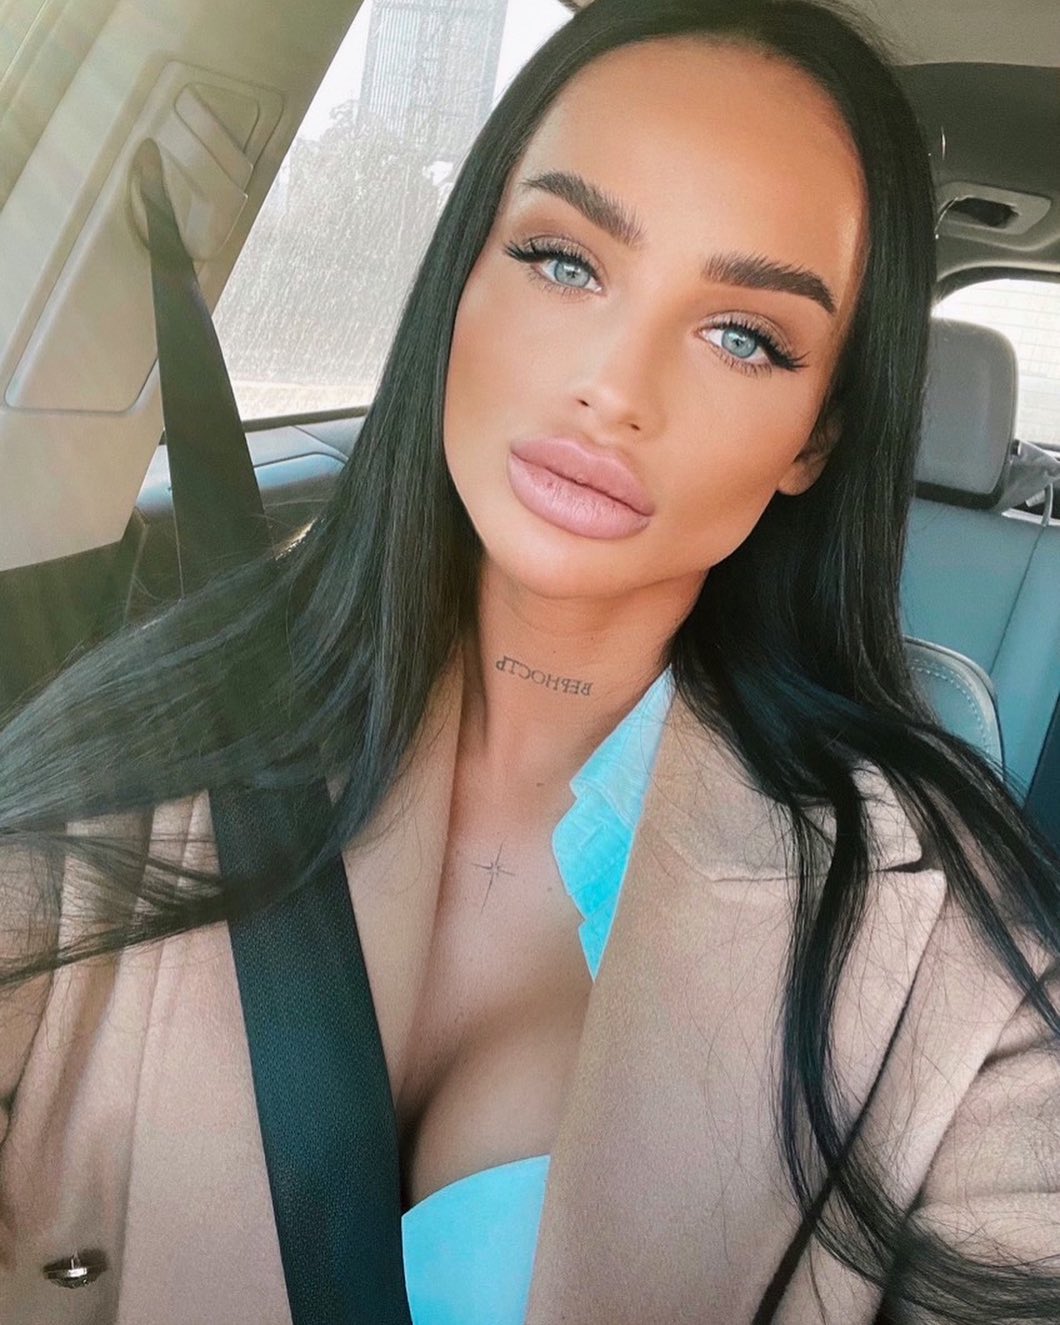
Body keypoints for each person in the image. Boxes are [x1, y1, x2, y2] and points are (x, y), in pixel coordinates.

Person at [1, 0, 1058, 1321]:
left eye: (744, 336)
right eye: (564, 260)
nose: (615, 386)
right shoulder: (135, 736)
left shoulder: (942, 948)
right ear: (463, 277)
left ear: (814, 438)